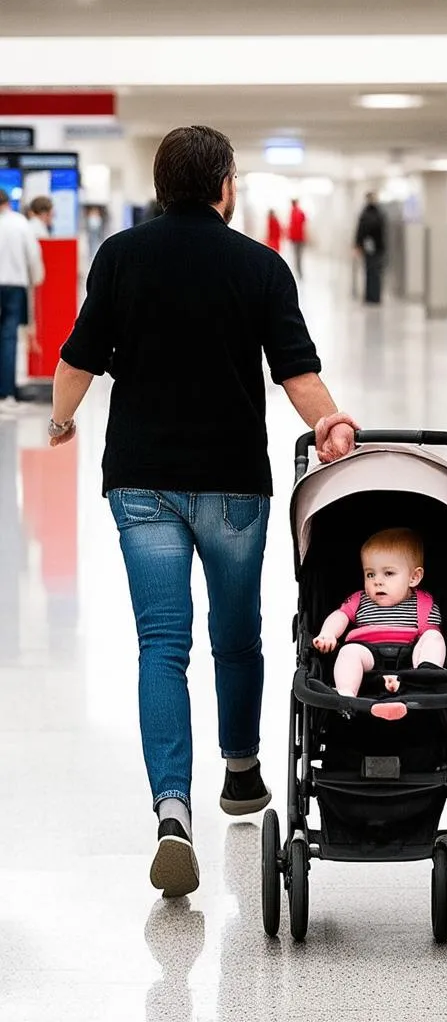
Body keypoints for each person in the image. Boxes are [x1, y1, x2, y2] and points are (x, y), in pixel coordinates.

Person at [48, 125, 359, 899]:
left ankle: (172, 810)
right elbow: (297, 373)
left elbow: (77, 359)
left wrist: (60, 422)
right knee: (235, 634)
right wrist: (331, 425)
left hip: (142, 480)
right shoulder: (258, 265)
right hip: (232, 483)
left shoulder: (119, 257)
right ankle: (241, 770)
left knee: (161, 644)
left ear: (161, 186)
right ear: (225, 185)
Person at [313, 528, 446, 721]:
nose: (377, 582)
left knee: (434, 638)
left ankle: (425, 680)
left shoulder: (424, 603)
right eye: (370, 575)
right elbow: (339, 616)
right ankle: (346, 697)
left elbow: (431, 637)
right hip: (368, 655)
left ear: (414, 577)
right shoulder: (360, 599)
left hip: (410, 661)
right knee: (348, 653)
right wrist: (328, 634)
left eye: (388, 573)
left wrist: (425, 659)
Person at [0, 188, 45, 413]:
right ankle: (7, 393)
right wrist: (37, 279)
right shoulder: (19, 223)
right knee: (9, 338)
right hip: (14, 286)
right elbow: (33, 256)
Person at [354, 192, 386, 304]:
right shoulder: (377, 213)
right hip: (375, 248)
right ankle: (373, 296)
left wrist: (358, 244)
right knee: (373, 272)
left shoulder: (368, 213)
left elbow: (361, 230)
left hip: (373, 248)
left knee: (372, 272)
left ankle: (372, 296)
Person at [288, 198, 307, 278]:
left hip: (295, 238)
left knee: (297, 256)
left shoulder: (293, 212)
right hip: (300, 238)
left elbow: (292, 226)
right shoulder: (300, 212)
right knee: (299, 256)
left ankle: (298, 272)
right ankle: (299, 272)